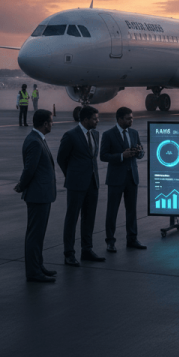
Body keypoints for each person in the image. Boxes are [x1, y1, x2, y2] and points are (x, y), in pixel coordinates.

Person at [57, 105, 106, 267]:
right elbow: (61, 158)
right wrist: (71, 175)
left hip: (93, 182)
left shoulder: (96, 134)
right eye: (95, 119)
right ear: (85, 120)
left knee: (89, 218)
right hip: (76, 184)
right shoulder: (70, 135)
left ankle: (87, 249)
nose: (97, 121)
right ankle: (69, 253)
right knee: (72, 218)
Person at [14, 109, 58, 283]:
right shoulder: (34, 141)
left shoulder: (38, 139)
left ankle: (38, 265)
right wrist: (21, 185)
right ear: (45, 124)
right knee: (34, 235)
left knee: (39, 234)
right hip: (37, 195)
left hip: (42, 195)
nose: (52, 124)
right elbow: (29, 169)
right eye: (51, 122)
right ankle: (33, 272)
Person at [100, 106, 146, 252]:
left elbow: (141, 152)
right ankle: (110, 241)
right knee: (112, 211)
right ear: (119, 119)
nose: (131, 120)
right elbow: (103, 156)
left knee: (131, 211)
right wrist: (121, 156)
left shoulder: (134, 133)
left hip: (132, 177)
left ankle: (132, 238)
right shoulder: (108, 134)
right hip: (116, 179)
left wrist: (139, 153)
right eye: (128, 118)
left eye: (132, 118)